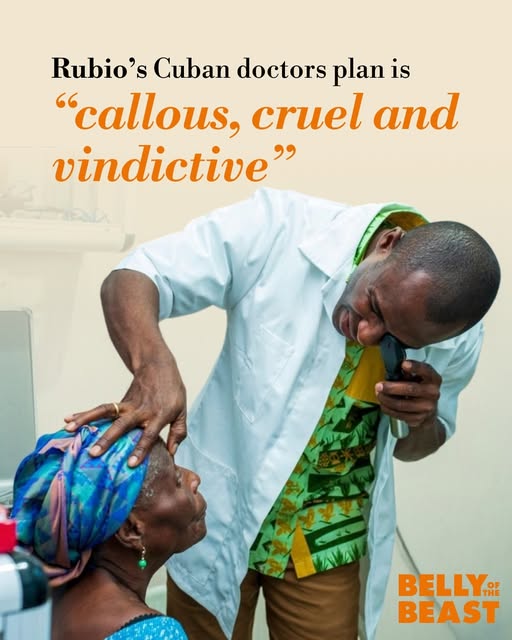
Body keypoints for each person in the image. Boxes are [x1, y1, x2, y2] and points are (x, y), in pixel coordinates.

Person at [64, 188, 500, 640]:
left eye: (395, 337)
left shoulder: (455, 334)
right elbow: (135, 275)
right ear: (387, 243)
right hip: (213, 520)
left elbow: (418, 446)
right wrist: (153, 365)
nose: (368, 334)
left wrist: (421, 420)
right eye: (373, 305)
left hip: (324, 544)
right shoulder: (279, 227)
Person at [11, 420, 207, 640]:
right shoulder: (154, 634)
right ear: (131, 530)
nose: (194, 479)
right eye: (177, 479)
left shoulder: (37, 598)